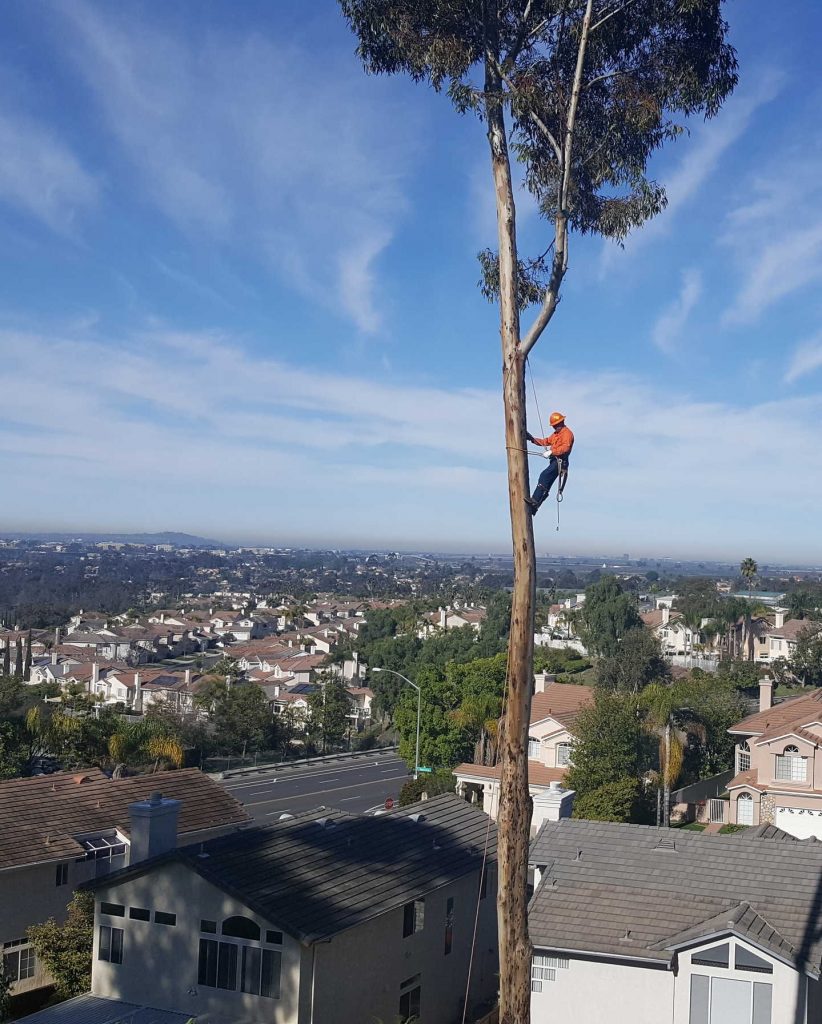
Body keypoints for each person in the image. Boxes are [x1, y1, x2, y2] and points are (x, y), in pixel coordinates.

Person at [524, 411, 574, 515]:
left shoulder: (567, 434)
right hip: (554, 461)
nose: (554, 428)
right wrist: (532, 439)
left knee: (544, 476)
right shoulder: (556, 433)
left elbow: (566, 448)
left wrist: (552, 451)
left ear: (561, 423)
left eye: (555, 426)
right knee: (546, 483)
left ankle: (534, 500)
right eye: (554, 426)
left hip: (560, 462)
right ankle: (535, 506)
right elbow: (546, 441)